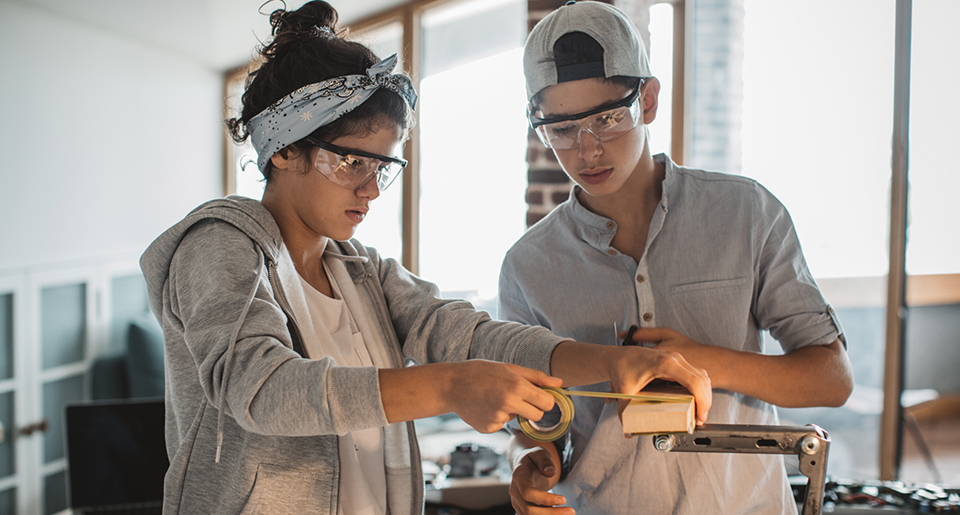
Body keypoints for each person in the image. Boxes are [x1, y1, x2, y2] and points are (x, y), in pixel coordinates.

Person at [139, 2, 712, 514]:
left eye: (383, 167)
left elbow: (467, 336)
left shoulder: (361, 273)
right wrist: (449, 387)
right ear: (285, 150)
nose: (370, 189)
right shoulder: (219, 245)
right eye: (351, 162)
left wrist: (609, 364)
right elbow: (263, 392)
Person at [499, 2, 855, 514]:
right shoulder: (526, 266)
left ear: (647, 99)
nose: (588, 149)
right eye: (560, 129)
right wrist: (527, 461)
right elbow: (534, 425)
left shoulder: (746, 213)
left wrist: (700, 362)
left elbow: (832, 377)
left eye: (606, 117)